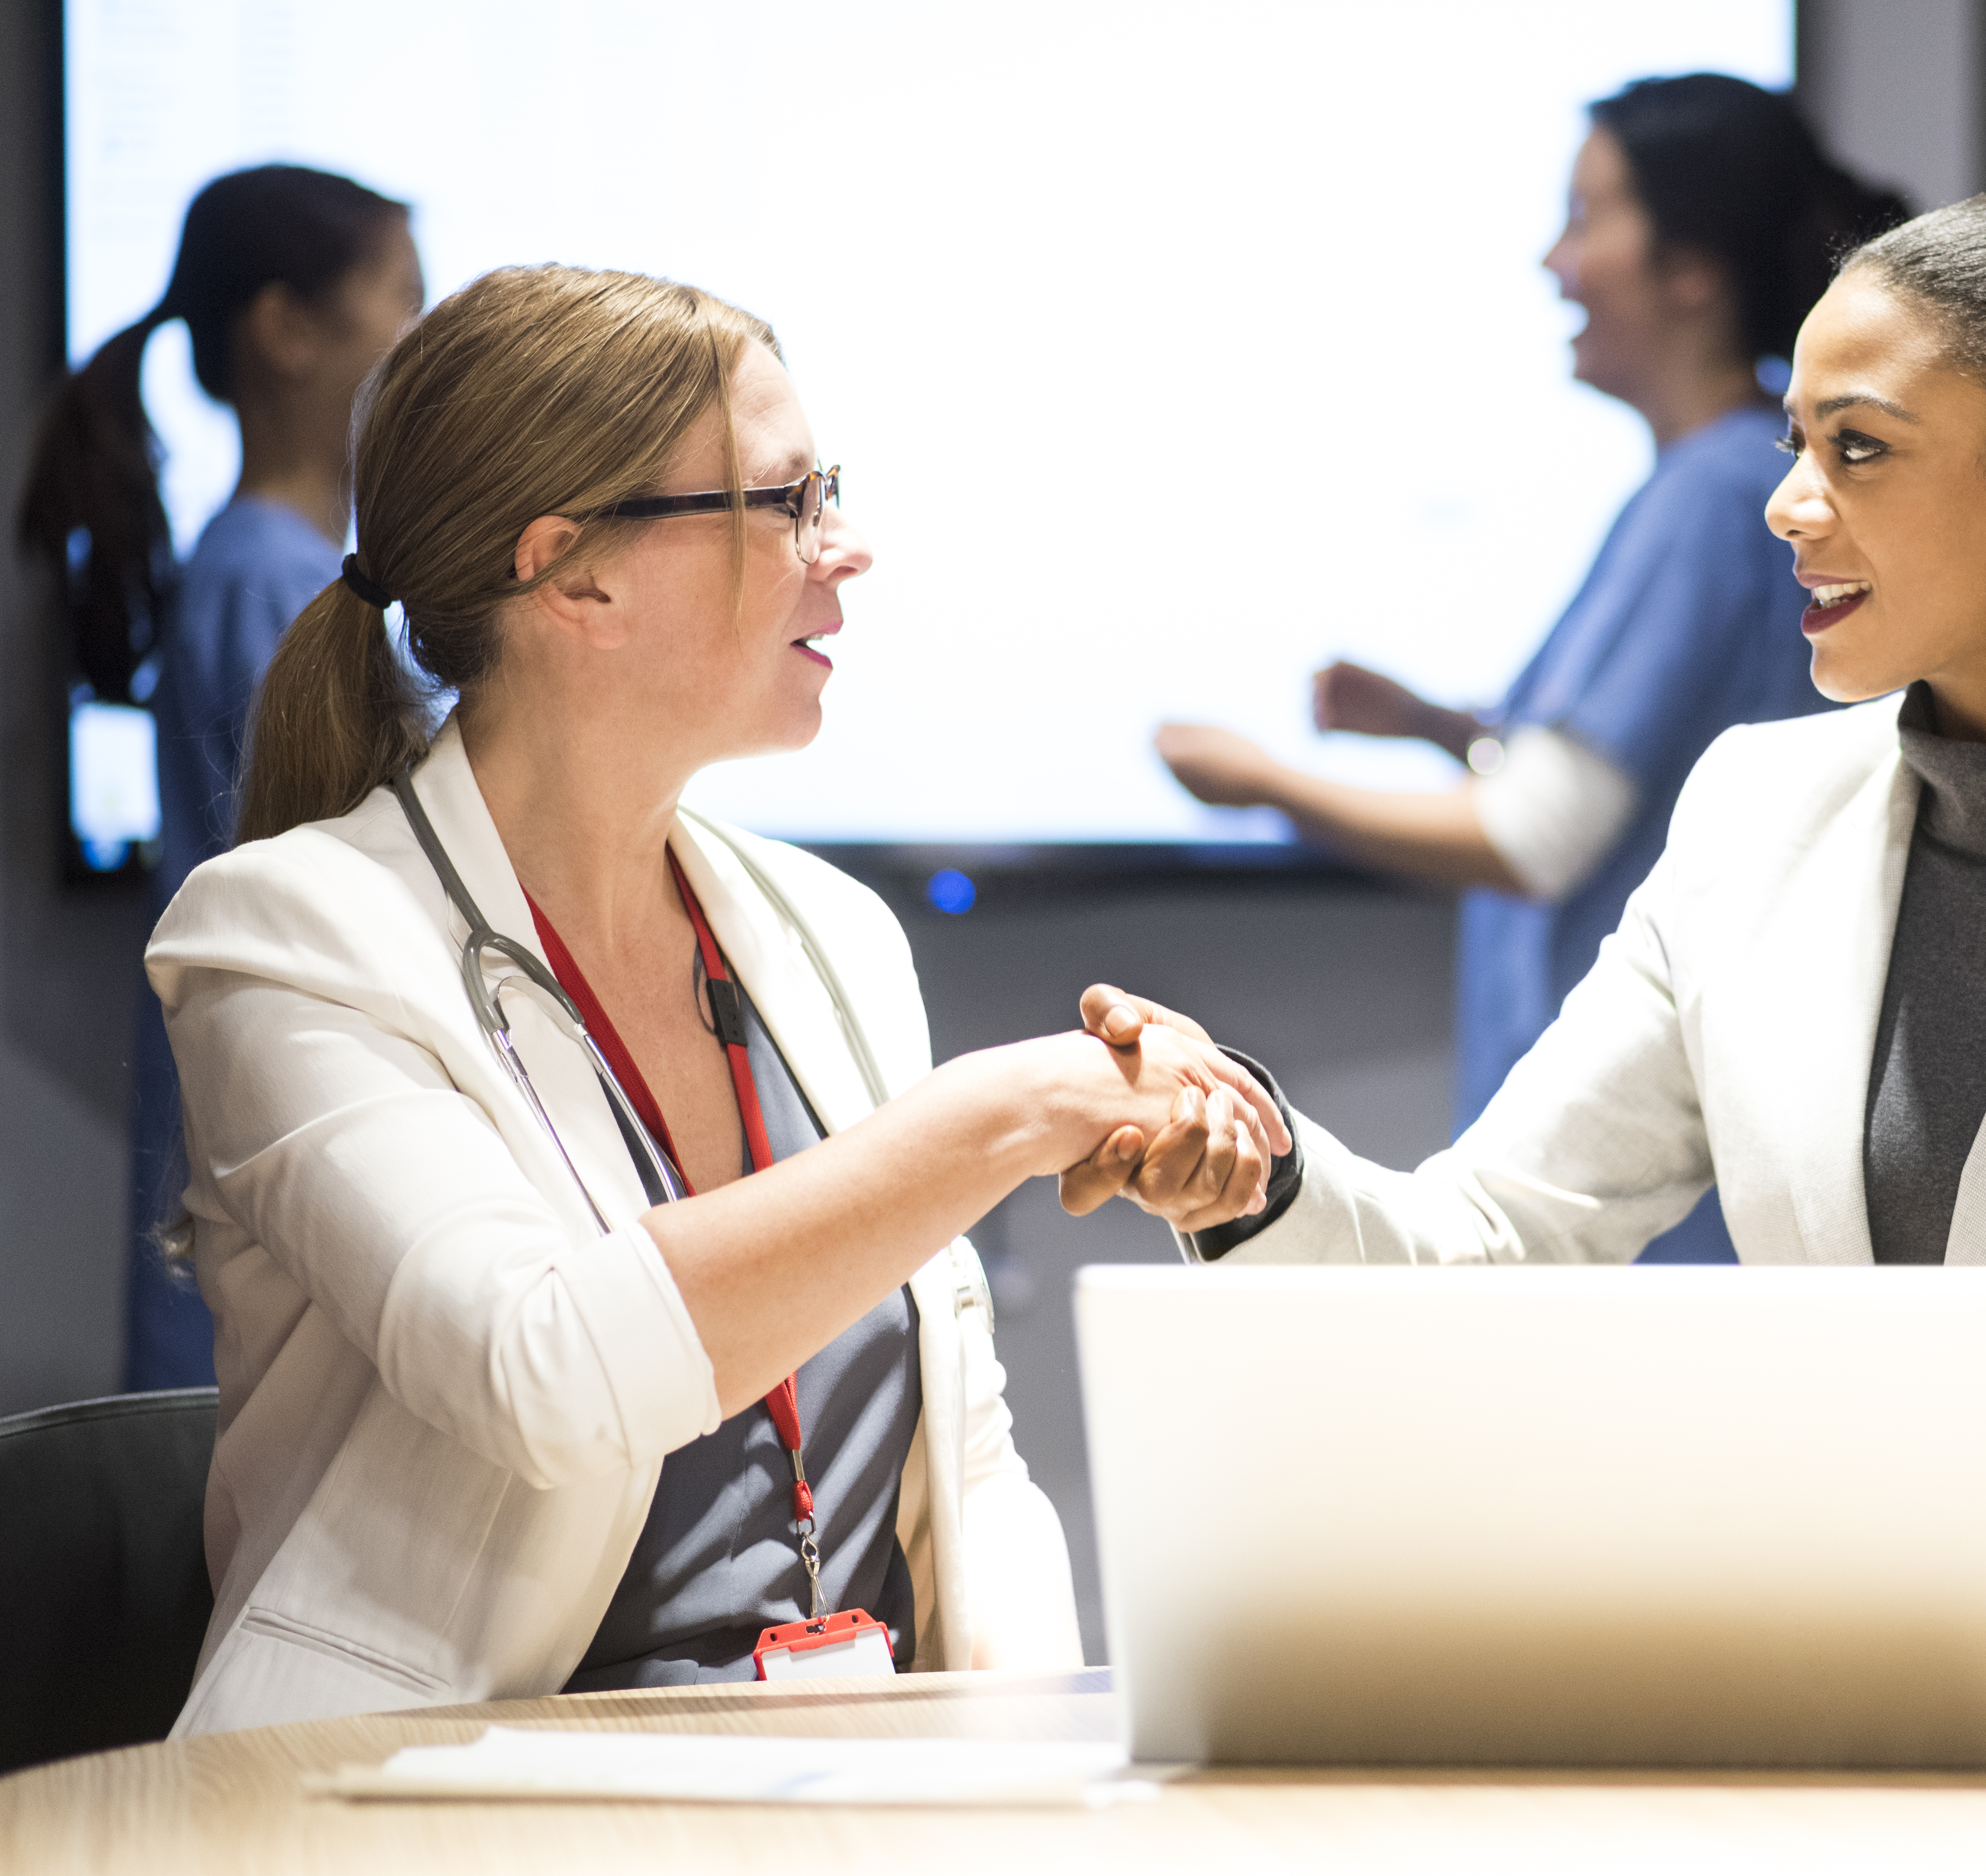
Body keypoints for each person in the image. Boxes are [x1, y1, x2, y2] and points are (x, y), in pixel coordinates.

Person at [1080, 192, 1986, 1669]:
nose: (1787, 502)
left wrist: (1909, 1591)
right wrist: (1253, 1173)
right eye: (1795, 441)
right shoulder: (1753, 809)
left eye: (1859, 447)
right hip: (1811, 1734)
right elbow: (1496, 1235)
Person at [148, 264, 1283, 1734]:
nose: (851, 548)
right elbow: (541, 1370)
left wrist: (1043, 1774)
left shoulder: (830, 928)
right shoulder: (289, 939)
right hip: (426, 1818)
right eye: (790, 501)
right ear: (574, 573)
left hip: (854, 1796)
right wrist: (1011, 1110)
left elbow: (973, 1468)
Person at [1150, 75, 1901, 1262]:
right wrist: (1441, 727)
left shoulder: (1711, 499)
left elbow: (1539, 834)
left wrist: (1267, 786)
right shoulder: (1715, 482)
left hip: (1646, 1214)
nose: (1557, 262)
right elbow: (1634, 774)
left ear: (1692, 267)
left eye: (1590, 218)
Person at [15, 164, 421, 1394]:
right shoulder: (270, 586)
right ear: (288, 331)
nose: (428, 337)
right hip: (279, 1145)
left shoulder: (280, 573)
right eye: (403, 299)